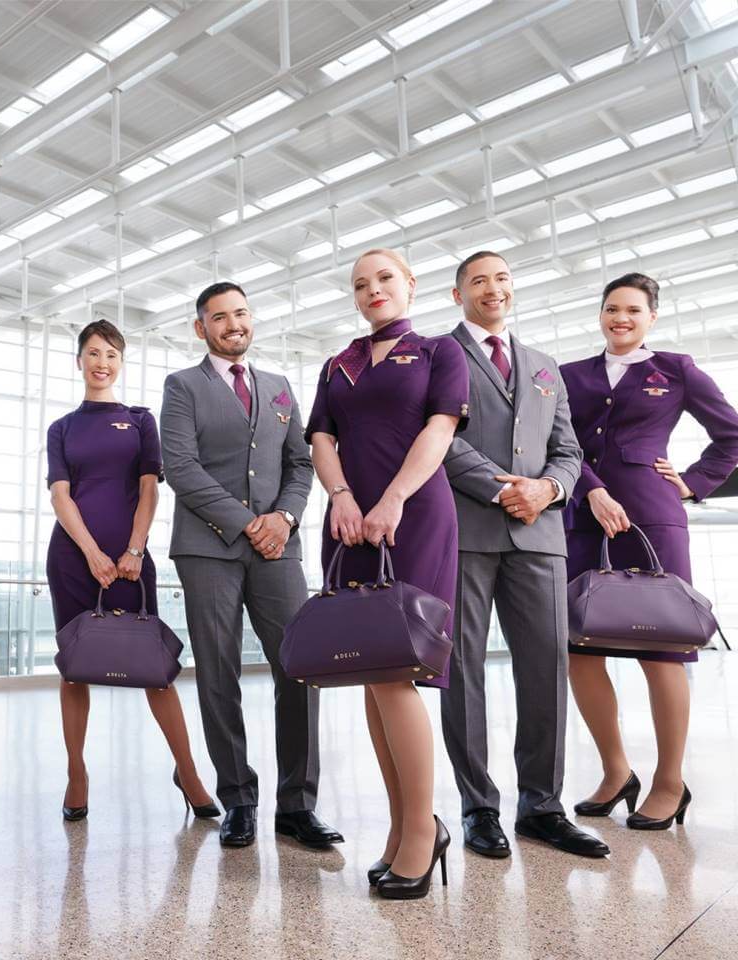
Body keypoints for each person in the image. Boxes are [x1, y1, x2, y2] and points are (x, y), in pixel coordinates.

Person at [306, 248, 466, 899]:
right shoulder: (337, 364)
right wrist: (341, 495)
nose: (373, 290)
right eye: (361, 284)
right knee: (370, 675)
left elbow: (442, 426)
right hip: (348, 523)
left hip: (415, 514)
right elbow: (321, 438)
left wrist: (394, 496)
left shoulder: (436, 353)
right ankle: (407, 826)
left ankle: (422, 836)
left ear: (410, 285)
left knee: (399, 671)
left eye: (385, 279)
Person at [440, 251, 610, 859]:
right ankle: (478, 807)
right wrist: (502, 487)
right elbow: (438, 438)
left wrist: (549, 489)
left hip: (540, 535)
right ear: (458, 294)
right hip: (466, 532)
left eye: (503, 278)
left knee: (545, 669)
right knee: (461, 673)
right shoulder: (441, 355)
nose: (494, 288)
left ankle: (542, 806)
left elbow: (569, 449)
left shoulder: (543, 367)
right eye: (479, 280)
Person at [160, 282, 341, 850]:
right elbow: (182, 467)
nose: (233, 324)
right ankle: (238, 797)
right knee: (218, 672)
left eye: (241, 313)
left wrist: (284, 518)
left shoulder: (280, 387)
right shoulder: (183, 386)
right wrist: (246, 523)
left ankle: (298, 805)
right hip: (208, 549)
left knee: (301, 667)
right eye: (219, 317)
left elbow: (301, 464)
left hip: (278, 548)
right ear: (201, 327)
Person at [560, 272, 738, 830]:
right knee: (579, 647)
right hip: (584, 521)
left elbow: (732, 435)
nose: (622, 318)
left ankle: (669, 781)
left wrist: (692, 482)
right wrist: (592, 490)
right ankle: (617, 772)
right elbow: (557, 442)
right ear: (601, 314)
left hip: (654, 518)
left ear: (652, 317)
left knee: (662, 651)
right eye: (613, 308)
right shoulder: (569, 376)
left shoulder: (677, 370)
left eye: (634, 310)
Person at [46, 319, 218, 823]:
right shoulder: (62, 428)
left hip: (130, 560)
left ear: (121, 362)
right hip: (74, 559)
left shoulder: (141, 420)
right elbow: (61, 496)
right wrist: (92, 554)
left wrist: (134, 550)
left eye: (112, 355)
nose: (102, 363)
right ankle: (77, 774)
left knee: (155, 671)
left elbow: (149, 488)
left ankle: (187, 772)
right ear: (79, 361)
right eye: (94, 353)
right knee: (73, 669)